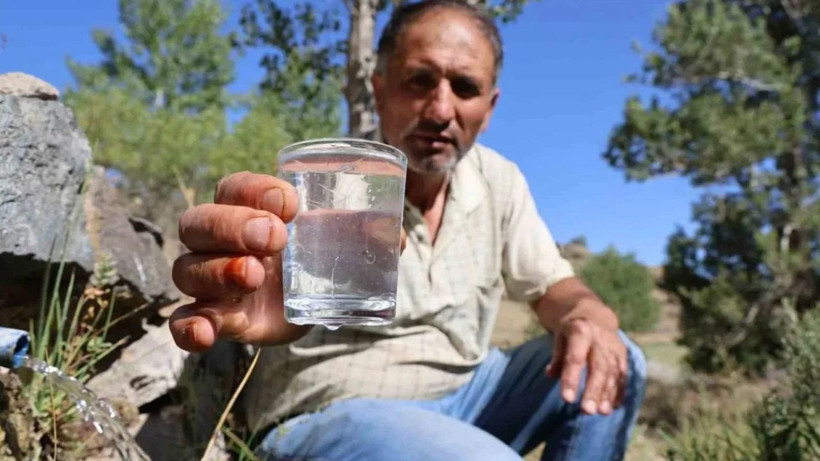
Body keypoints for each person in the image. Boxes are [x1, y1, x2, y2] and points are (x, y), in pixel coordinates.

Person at [169, 1, 647, 459]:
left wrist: (585, 316)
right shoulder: (329, 178)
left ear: (491, 105)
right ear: (379, 90)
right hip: (334, 412)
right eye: (420, 80)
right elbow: (263, 270)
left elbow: (554, 286)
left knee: (614, 355)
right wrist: (249, 270)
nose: (441, 110)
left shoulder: (499, 181)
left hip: (470, 403)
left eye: (465, 87)